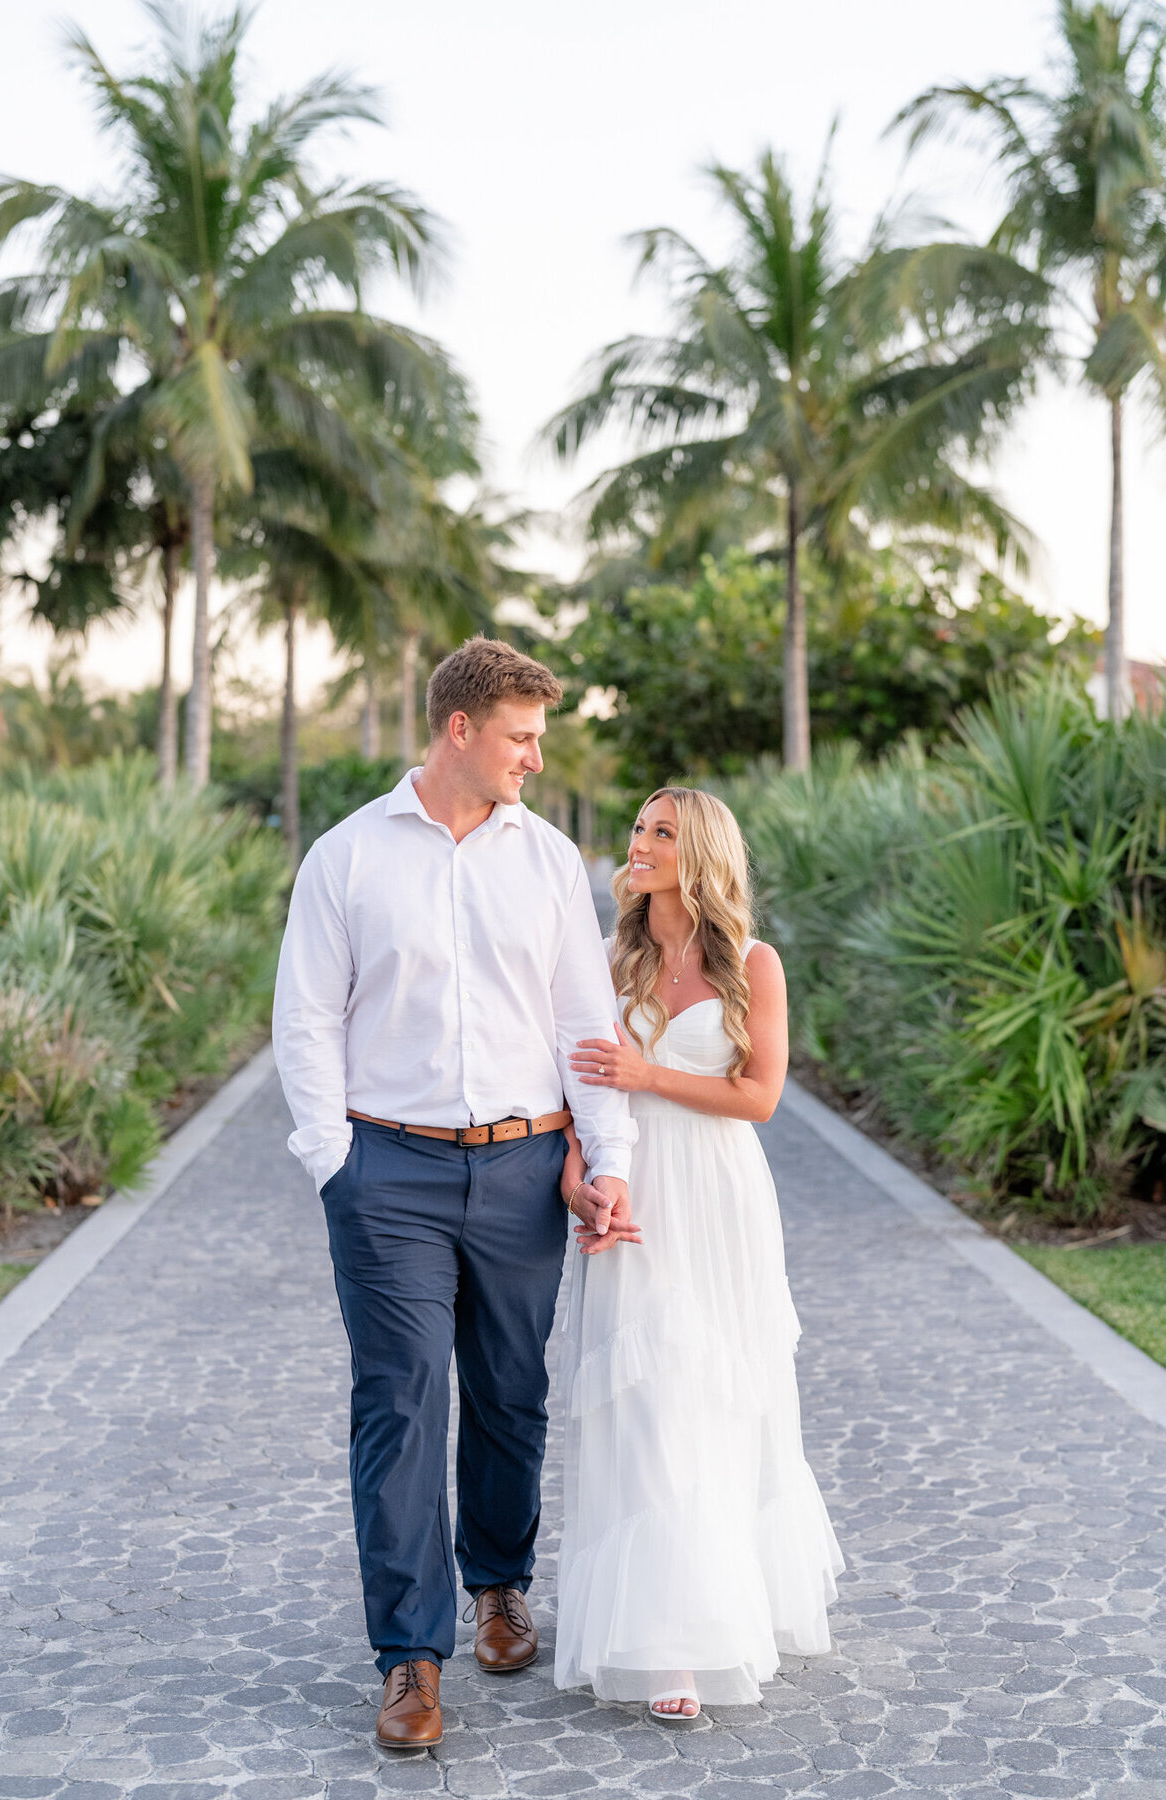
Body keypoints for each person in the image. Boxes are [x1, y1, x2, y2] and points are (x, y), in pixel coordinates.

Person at [272, 638, 639, 1751]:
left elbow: (587, 1022)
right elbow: (306, 1019)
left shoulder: (547, 862)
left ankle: (497, 1585)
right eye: (521, 737)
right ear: (459, 730)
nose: (535, 756)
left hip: (527, 1169)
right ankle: (410, 1658)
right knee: (399, 1403)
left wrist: (605, 1154)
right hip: (390, 1174)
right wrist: (333, 1162)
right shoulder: (346, 859)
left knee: (509, 1391)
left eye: (540, 737)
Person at [554, 786, 843, 1721]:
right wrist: (577, 1177)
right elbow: (570, 1087)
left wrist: (649, 1074)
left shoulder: (754, 964)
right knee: (646, 1399)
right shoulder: (605, 962)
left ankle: (722, 1606)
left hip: (718, 1197)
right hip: (633, 1195)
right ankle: (669, 1638)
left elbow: (760, 1096)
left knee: (718, 1392)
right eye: (637, 829)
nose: (638, 844)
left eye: (660, 833)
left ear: (701, 852)